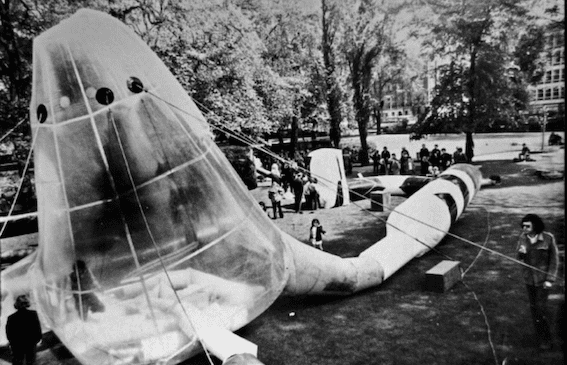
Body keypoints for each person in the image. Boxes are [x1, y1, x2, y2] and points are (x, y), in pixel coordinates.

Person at [516, 214, 559, 351]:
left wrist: (550, 279)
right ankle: (540, 337)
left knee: (540, 310)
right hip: (529, 280)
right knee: (534, 310)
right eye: (523, 225)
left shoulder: (548, 238)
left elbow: (554, 261)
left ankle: (546, 340)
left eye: (527, 226)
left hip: (543, 281)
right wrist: (521, 254)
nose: (524, 228)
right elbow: (518, 257)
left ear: (535, 225)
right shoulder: (523, 238)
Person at [6, 295, 42, 365]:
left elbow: (9, 333)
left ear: (16, 305)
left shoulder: (11, 318)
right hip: (30, 343)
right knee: (30, 361)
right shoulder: (33, 314)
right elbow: (37, 328)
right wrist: (37, 339)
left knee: (18, 361)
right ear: (27, 303)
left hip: (17, 345)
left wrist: (12, 343)